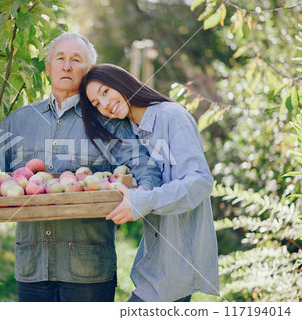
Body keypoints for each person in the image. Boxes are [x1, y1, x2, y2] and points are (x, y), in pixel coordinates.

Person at [0, 35, 162, 302]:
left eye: (76, 60)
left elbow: (144, 164)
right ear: (47, 68)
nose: (67, 66)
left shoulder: (109, 122)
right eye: (60, 58)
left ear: (88, 72)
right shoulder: (21, 121)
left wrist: (142, 194)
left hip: (89, 269)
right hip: (32, 266)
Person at [79, 64, 220, 302]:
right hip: (156, 260)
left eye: (105, 92)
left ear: (121, 81)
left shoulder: (171, 116)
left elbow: (200, 181)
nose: (104, 105)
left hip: (178, 261)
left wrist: (143, 200)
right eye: (96, 104)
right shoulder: (135, 128)